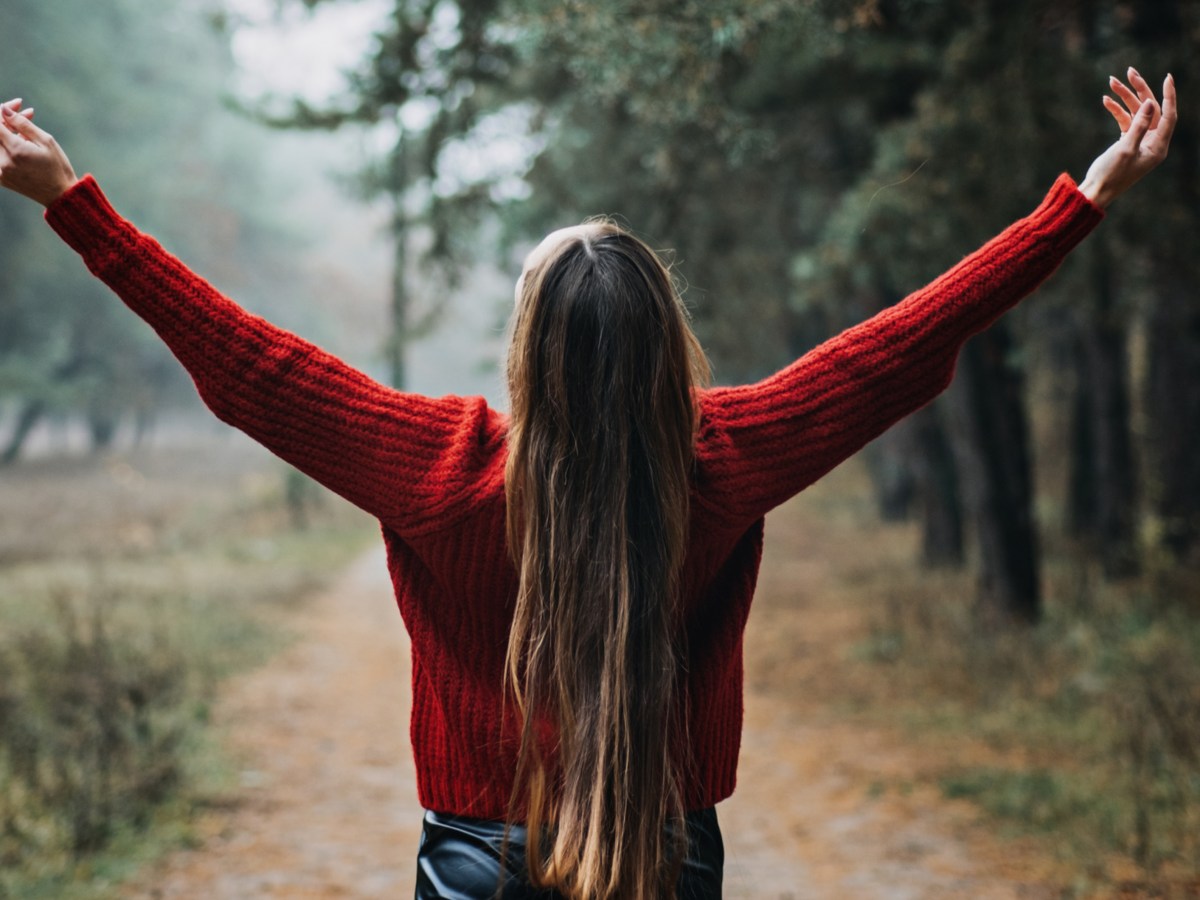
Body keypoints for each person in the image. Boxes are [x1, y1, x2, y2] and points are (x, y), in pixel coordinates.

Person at [0, 68, 1177, 900]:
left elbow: (249, 362)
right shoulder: (721, 457)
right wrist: (1079, 206)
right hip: (670, 853)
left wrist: (75, 207)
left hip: (478, 861)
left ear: (529, 349)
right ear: (666, 346)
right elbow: (899, 347)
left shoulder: (440, 466)